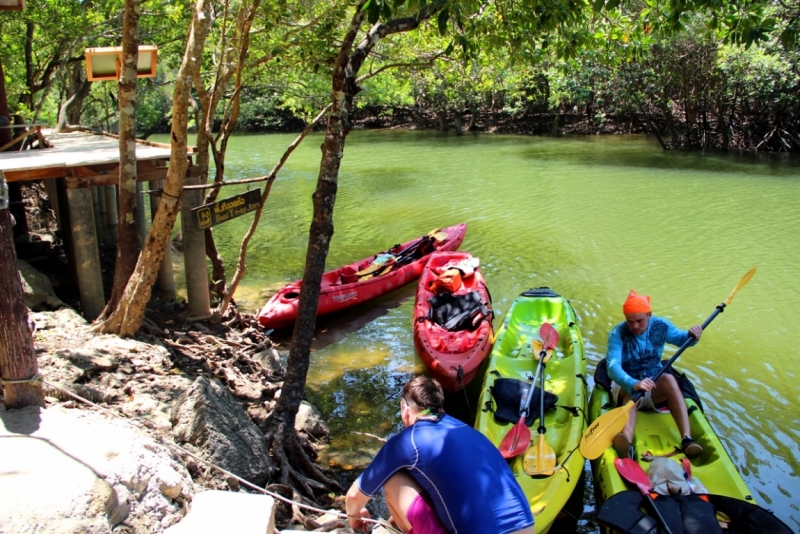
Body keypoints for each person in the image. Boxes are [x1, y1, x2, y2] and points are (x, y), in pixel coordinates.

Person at [345, 376, 534, 534]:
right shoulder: (469, 431)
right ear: (440, 406)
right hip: (528, 527)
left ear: (405, 409)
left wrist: (354, 519)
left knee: (394, 478)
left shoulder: (407, 441)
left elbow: (354, 497)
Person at [606, 290, 704, 460]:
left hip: (653, 386)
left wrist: (692, 336)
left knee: (669, 378)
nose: (635, 326)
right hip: (627, 388)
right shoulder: (617, 334)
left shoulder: (661, 326)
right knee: (632, 391)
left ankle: (687, 439)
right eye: (630, 322)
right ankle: (626, 443)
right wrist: (633, 383)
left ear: (649, 315)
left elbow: (682, 339)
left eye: (639, 321)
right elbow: (612, 366)